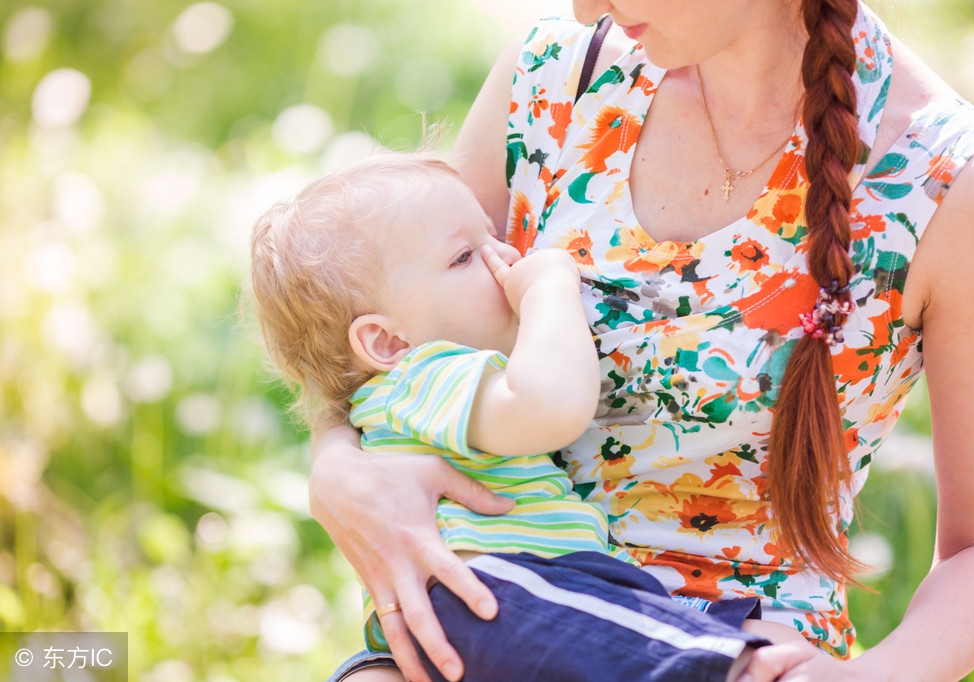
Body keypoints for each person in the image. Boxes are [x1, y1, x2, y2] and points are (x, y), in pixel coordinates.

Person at [309, 1, 974, 681]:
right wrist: (337, 466)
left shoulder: (957, 181)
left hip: (728, 644)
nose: (585, 8)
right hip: (499, 612)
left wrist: (873, 676)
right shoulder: (553, 76)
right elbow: (384, 333)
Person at [248, 155, 771, 681]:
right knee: (700, 660)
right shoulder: (422, 376)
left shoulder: (399, 398)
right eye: (464, 257)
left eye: (493, 236)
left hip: (529, 597)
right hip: (495, 589)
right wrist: (549, 289)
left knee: (722, 634)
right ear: (387, 341)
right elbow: (549, 407)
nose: (507, 255)